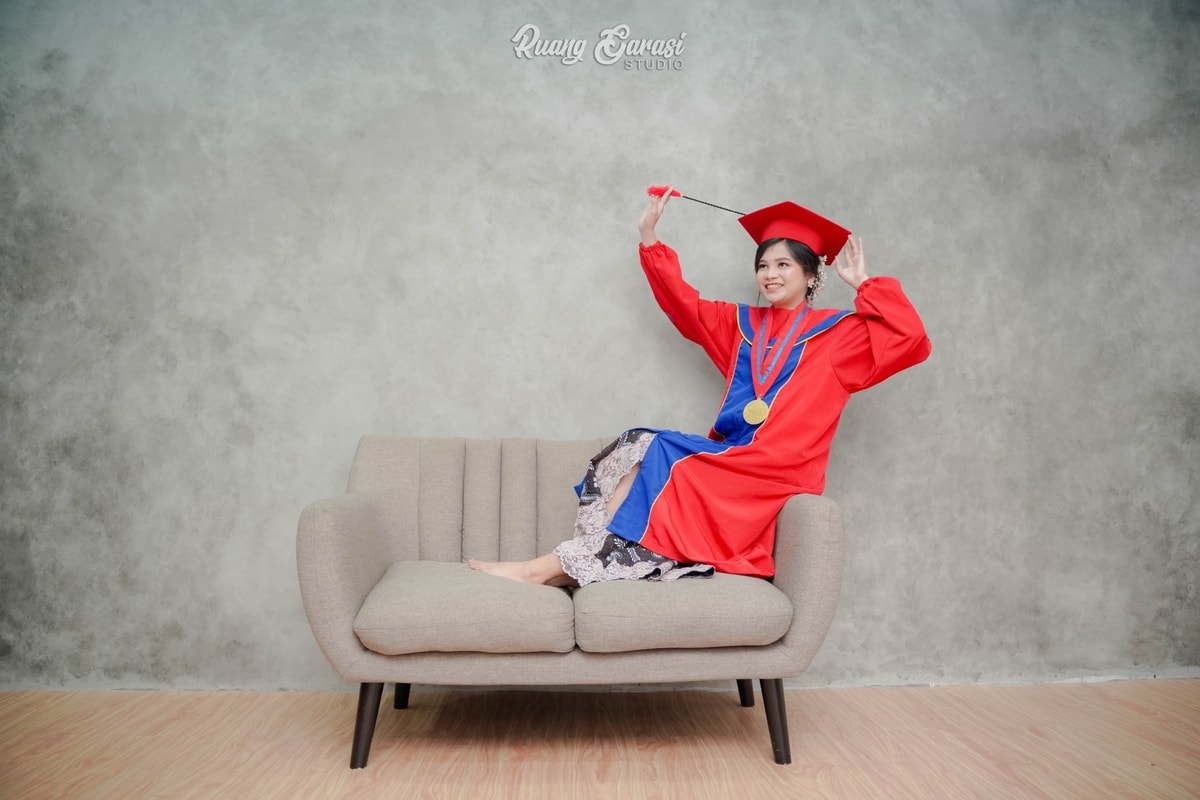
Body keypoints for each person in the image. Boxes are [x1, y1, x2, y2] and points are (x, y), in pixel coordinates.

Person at [469, 188, 931, 586]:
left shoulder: (839, 335)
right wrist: (650, 239)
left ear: (811, 275)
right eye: (763, 265)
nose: (770, 274)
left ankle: (542, 570)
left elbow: (912, 340)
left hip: (780, 471)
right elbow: (683, 304)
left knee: (666, 459)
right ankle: (563, 565)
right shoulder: (741, 324)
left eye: (784, 265)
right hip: (731, 459)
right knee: (640, 444)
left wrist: (866, 286)